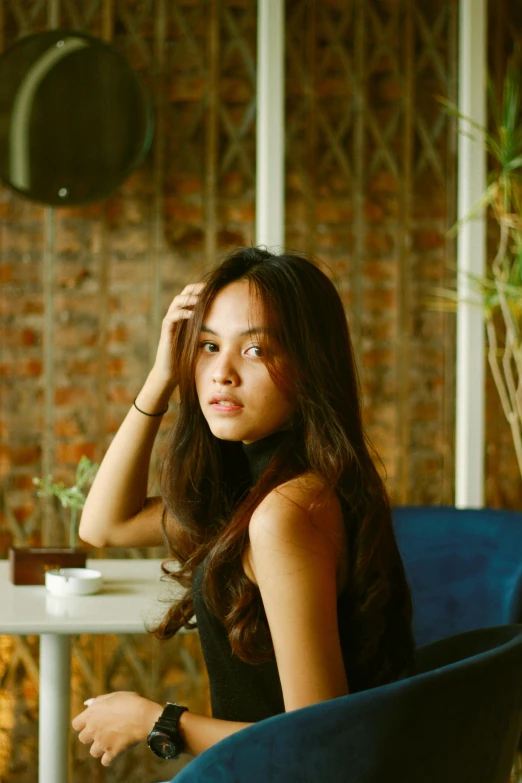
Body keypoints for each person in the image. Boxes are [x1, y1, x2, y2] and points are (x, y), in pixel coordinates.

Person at [71, 246, 415, 769]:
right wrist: (162, 376)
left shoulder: (286, 512)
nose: (222, 373)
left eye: (255, 351)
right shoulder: (257, 491)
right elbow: (105, 525)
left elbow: (319, 740)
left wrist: (157, 722)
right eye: (207, 346)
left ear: (310, 363)